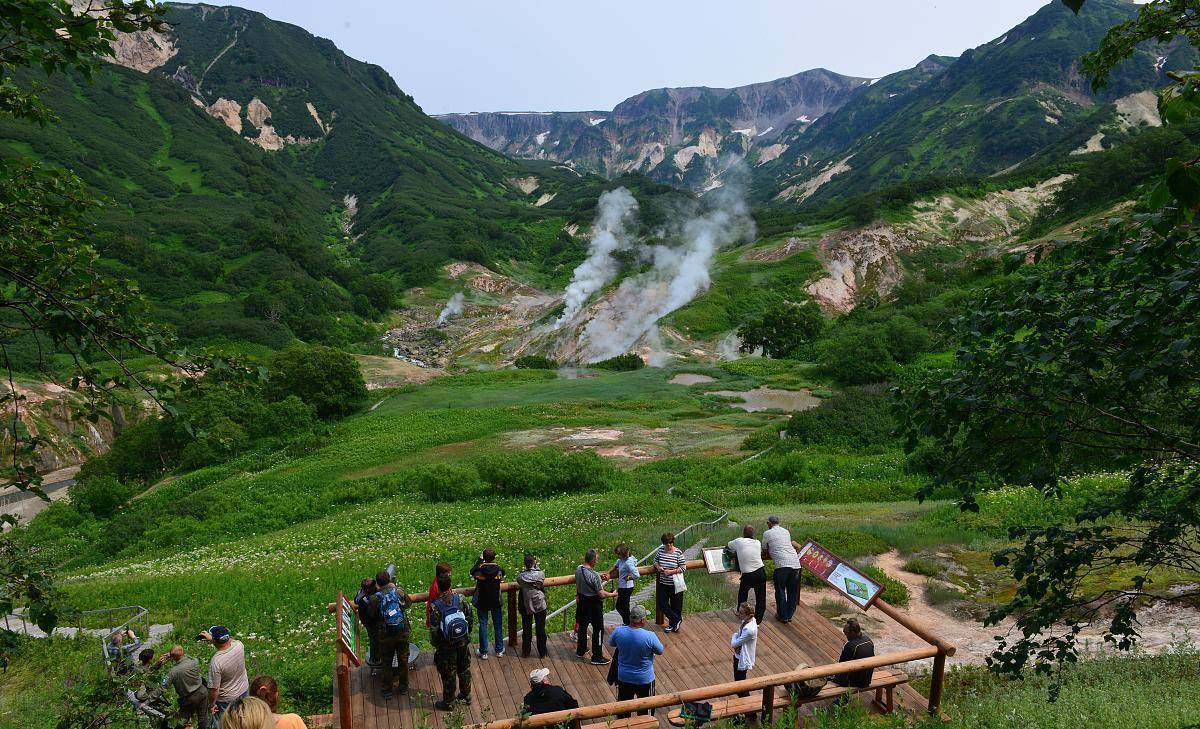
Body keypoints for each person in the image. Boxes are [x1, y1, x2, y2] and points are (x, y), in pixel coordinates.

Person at [607, 605, 664, 717]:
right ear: (642, 620)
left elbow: (611, 643)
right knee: (645, 711)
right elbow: (660, 650)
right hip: (644, 679)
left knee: (623, 709)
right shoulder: (649, 636)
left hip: (624, 677)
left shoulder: (618, 632)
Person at [430, 573, 473, 710]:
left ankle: (448, 702)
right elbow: (470, 617)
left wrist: (438, 645)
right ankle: (466, 696)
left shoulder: (435, 606)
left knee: (449, 673)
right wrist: (466, 635)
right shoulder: (460, 598)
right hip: (462, 641)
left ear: (439, 587)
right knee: (464, 669)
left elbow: (434, 630)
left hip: (446, 646)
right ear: (450, 585)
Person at [368, 569, 412, 699]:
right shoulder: (399, 592)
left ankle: (387, 690)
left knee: (386, 662)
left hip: (385, 635)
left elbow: (371, 615)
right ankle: (403, 686)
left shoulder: (375, 598)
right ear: (390, 580)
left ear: (378, 584)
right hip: (402, 631)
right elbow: (408, 604)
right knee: (403, 659)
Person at [200, 625, 249, 723]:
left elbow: (214, 689)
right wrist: (213, 639)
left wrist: (212, 705)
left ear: (214, 640)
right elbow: (230, 640)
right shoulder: (239, 645)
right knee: (244, 719)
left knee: (229, 723)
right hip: (244, 690)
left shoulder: (216, 662)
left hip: (227, 699)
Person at [575, 548, 615, 664]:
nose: (596, 562)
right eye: (596, 560)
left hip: (582, 602)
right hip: (594, 605)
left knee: (583, 626)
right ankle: (597, 656)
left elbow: (582, 580)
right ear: (592, 560)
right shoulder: (594, 576)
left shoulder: (578, 569)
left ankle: (580, 650)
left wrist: (598, 575)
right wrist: (613, 594)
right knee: (598, 629)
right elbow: (601, 594)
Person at [762, 515, 802, 623]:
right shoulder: (786, 532)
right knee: (792, 591)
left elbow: (764, 548)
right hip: (795, 564)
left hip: (782, 565)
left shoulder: (767, 533)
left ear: (769, 524)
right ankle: (789, 615)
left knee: (780, 590)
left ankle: (783, 615)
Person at [161, 645, 210, 729]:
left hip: (189, 698)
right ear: (183, 654)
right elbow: (188, 657)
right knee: (203, 718)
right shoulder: (194, 661)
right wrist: (174, 655)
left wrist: (146, 702)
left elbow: (162, 687)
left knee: (180, 720)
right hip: (202, 692)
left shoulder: (173, 672)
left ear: (173, 658)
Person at [471, 548, 506, 659]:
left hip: (482, 601)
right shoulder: (499, 570)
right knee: (498, 625)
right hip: (495, 600)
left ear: (484, 558)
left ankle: (484, 651)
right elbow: (502, 574)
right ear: (494, 557)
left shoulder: (479, 571)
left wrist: (480, 561)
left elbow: (472, 571)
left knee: (483, 624)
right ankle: (499, 650)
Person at [728, 525, 767, 624]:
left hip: (748, 574)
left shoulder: (738, 541)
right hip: (760, 572)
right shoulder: (757, 542)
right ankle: (758, 621)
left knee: (743, 593)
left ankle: (741, 612)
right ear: (753, 534)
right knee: (761, 597)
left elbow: (728, 545)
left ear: (743, 533)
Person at [516, 554, 549, 658]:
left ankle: (526, 651)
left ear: (525, 564)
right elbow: (541, 582)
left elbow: (519, 581)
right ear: (534, 563)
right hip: (539, 603)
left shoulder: (521, 577)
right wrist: (536, 567)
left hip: (526, 604)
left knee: (527, 628)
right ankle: (542, 652)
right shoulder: (540, 574)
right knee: (541, 628)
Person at [653, 533, 686, 633]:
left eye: (671, 543)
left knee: (676, 606)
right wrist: (659, 567)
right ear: (663, 543)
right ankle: (677, 619)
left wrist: (671, 572)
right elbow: (655, 561)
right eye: (667, 543)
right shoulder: (660, 551)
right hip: (663, 583)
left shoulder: (678, 553)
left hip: (676, 583)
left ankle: (673, 625)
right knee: (662, 603)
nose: (669, 545)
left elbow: (683, 567)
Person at [831, 618, 875, 688]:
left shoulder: (850, 645)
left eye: (847, 634)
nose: (846, 637)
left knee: (829, 677)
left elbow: (842, 666)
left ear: (853, 633)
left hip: (854, 682)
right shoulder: (868, 640)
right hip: (867, 679)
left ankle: (844, 698)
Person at [730, 602, 758, 697]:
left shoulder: (749, 630)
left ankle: (750, 711)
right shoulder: (747, 621)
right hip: (738, 655)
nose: (738, 614)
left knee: (740, 686)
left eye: (741, 613)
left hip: (742, 658)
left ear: (748, 615)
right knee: (739, 684)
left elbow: (734, 643)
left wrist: (734, 635)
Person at [354, 576, 380, 668]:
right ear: (369, 589)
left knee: (373, 639)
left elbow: (355, 600)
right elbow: (372, 613)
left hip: (366, 620)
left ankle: (375, 657)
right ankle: (375, 659)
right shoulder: (367, 600)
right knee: (375, 640)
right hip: (371, 622)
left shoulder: (360, 593)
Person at [610, 544, 639, 625]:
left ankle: (628, 623)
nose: (617, 556)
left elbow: (636, 574)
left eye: (619, 554)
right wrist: (608, 573)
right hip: (622, 587)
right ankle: (628, 623)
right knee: (622, 607)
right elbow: (615, 566)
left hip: (627, 587)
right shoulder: (621, 560)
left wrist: (629, 578)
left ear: (624, 554)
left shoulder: (628, 562)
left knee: (622, 607)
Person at [426, 561, 452, 627]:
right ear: (441, 573)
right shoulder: (436, 587)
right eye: (448, 572)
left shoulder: (444, 581)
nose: (450, 574)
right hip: (440, 615)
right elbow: (433, 604)